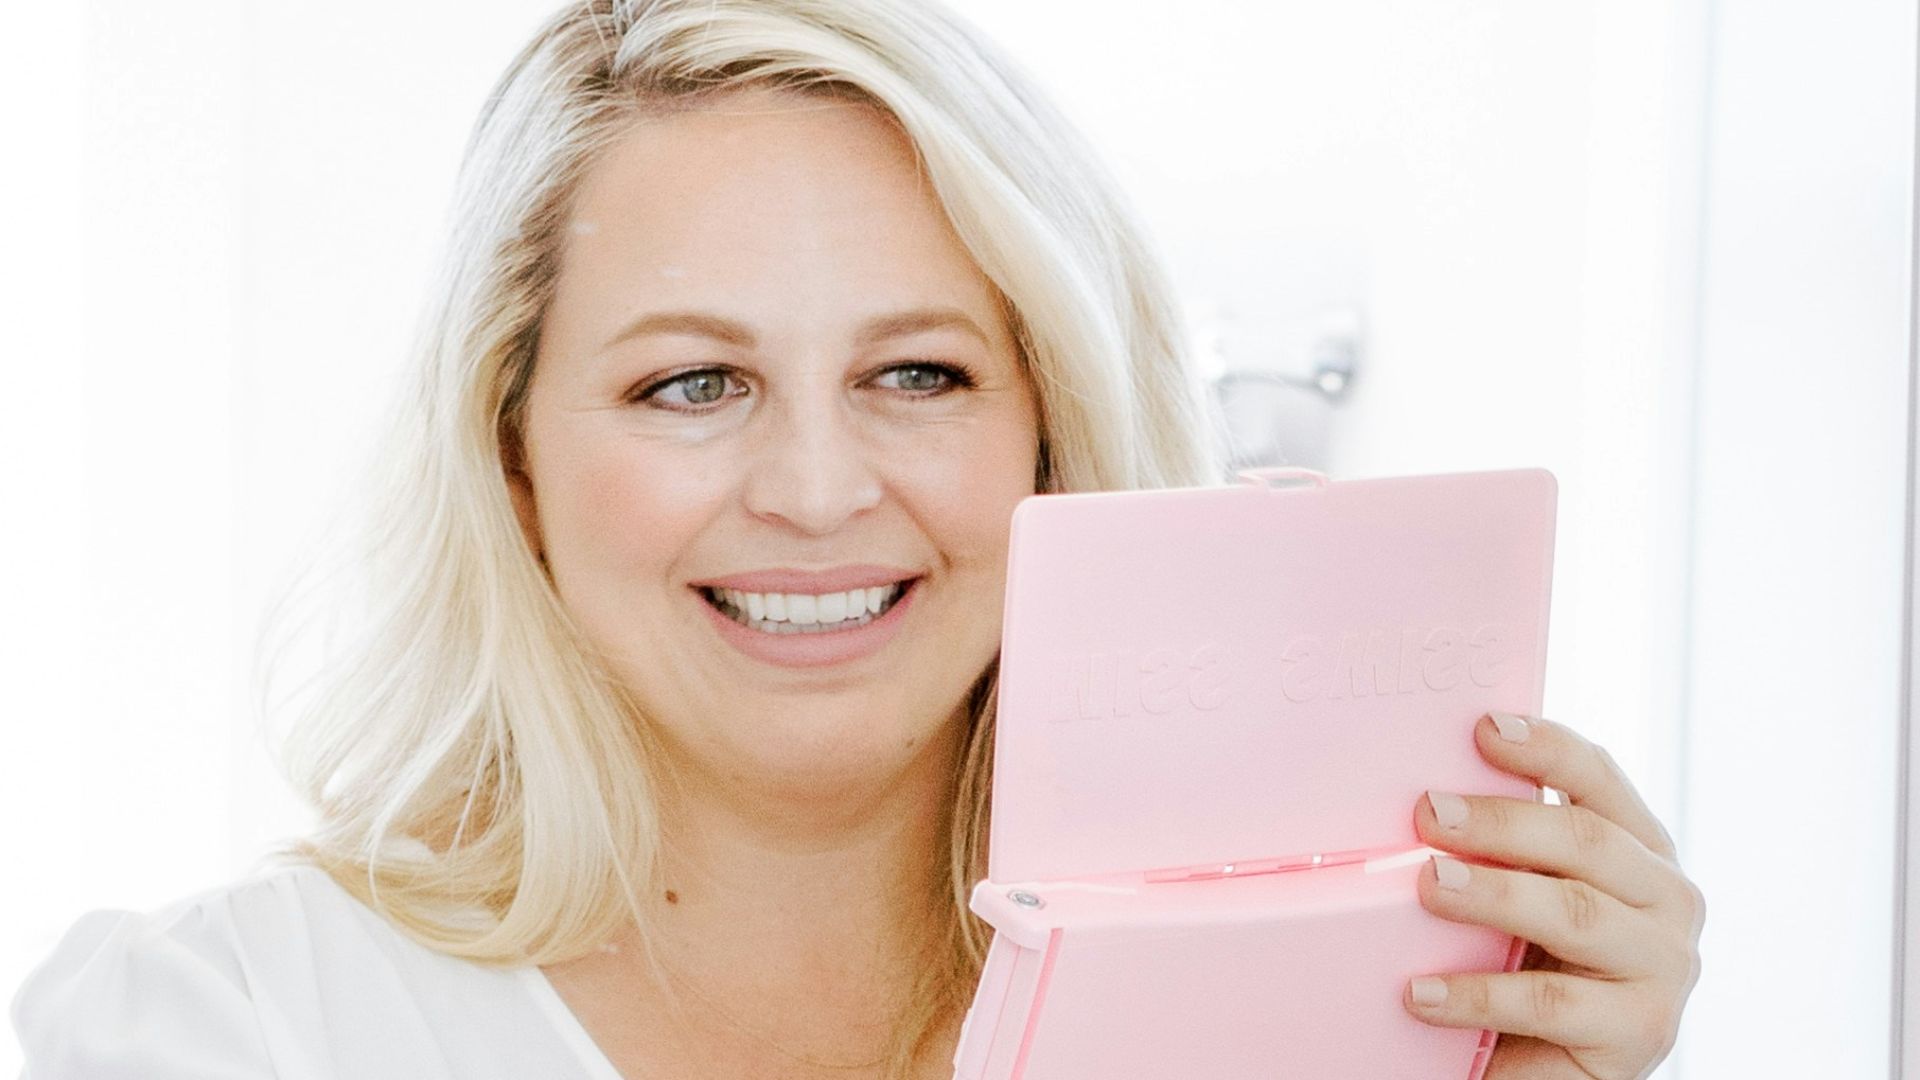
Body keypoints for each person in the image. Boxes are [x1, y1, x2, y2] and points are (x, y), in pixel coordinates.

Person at [11, 1, 1704, 1077]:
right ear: (509, 454)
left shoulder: (1316, 1025)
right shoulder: (222, 1032)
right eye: (691, 384)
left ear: (1053, 428)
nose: (818, 490)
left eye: (919, 372)